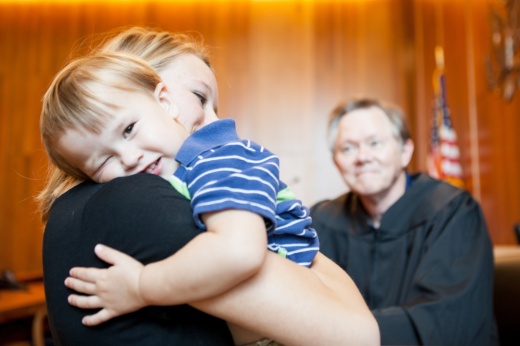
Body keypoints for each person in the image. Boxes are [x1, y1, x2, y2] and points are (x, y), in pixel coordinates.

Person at [39, 27, 379, 346]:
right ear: (159, 95)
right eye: (199, 98)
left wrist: (143, 286)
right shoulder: (138, 196)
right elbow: (356, 334)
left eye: (214, 106)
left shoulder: (210, 165)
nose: (215, 123)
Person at [310, 97, 497, 345]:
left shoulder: (453, 212)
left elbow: (444, 322)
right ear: (336, 161)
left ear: (405, 152)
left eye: (374, 143)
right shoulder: (322, 220)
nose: (362, 157)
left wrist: (341, 332)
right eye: (348, 148)